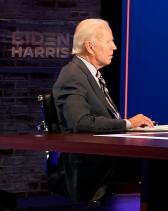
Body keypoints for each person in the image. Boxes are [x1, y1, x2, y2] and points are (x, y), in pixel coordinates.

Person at [52, 19, 154, 201]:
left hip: (105, 158)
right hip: (90, 166)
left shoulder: (89, 74)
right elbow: (80, 122)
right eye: (109, 41)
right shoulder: (73, 75)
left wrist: (131, 128)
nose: (114, 47)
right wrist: (128, 124)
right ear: (90, 46)